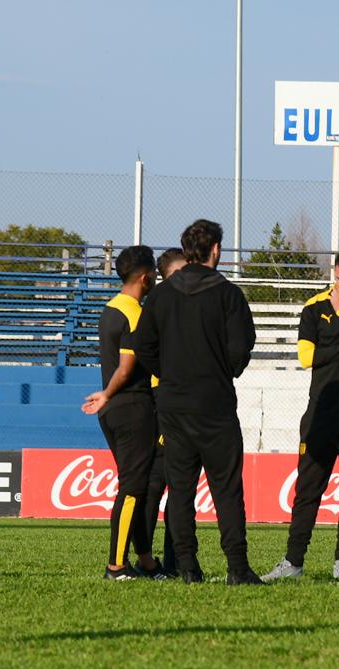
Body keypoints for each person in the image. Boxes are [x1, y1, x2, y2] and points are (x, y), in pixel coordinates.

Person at [133, 219, 262, 585]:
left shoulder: (160, 296)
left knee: (181, 488)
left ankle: (188, 567)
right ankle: (237, 568)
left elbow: (143, 347)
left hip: (173, 404)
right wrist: (221, 371)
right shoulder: (228, 294)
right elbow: (241, 348)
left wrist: (170, 373)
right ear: (216, 250)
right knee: (226, 489)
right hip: (215, 402)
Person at [262, 248, 339, 582]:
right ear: (334, 273)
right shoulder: (314, 307)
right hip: (320, 413)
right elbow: (307, 357)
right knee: (307, 489)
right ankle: (293, 562)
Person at [81, 245, 168, 581]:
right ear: (145, 278)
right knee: (132, 487)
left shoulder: (110, 309)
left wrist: (107, 396)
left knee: (140, 487)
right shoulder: (135, 314)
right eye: (155, 276)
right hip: (132, 406)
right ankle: (116, 566)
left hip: (116, 410)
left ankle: (145, 561)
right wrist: (108, 393)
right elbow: (129, 366)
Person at [142, 247, 187, 577]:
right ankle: (148, 560)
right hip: (162, 399)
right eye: (180, 273)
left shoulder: (182, 303)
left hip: (181, 399)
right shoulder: (160, 305)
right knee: (157, 483)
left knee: (178, 485)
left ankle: (172, 561)